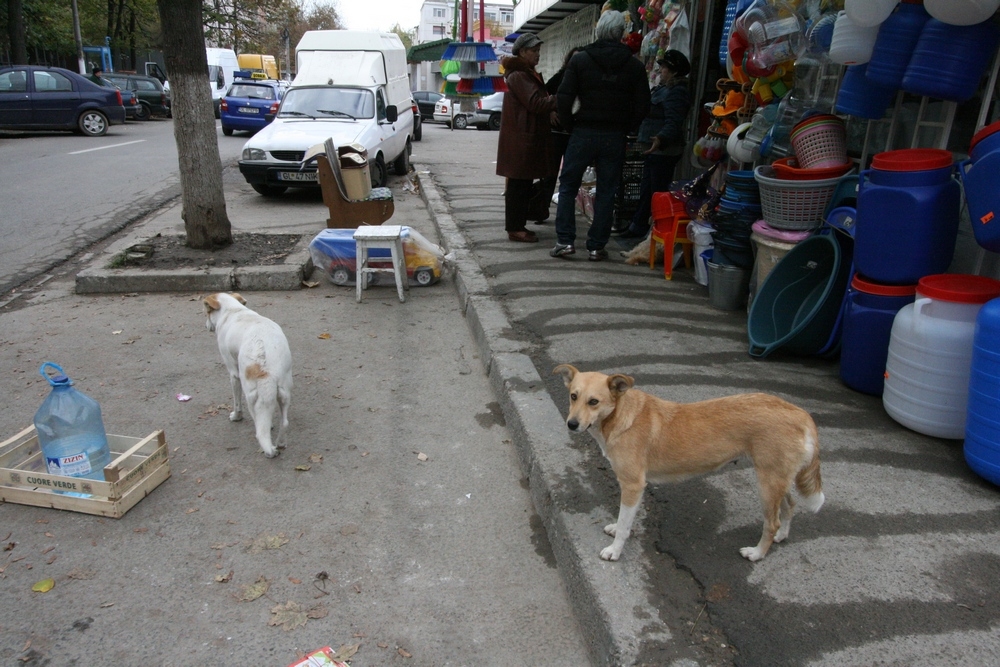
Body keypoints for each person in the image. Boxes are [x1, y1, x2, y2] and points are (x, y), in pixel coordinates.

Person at [549, 10, 651, 261]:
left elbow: (564, 97)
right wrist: (628, 127)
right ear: (621, 34)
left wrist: (569, 124)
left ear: (599, 30)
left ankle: (565, 241)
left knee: (569, 185)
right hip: (614, 135)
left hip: (583, 130)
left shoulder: (581, 60)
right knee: (607, 190)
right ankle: (596, 246)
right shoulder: (633, 66)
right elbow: (642, 104)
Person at [618, 49, 692, 238]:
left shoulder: (677, 92)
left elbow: (673, 122)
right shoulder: (663, 89)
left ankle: (655, 230)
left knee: (657, 192)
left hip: (664, 151)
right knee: (647, 190)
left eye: (665, 68)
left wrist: (660, 139)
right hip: (653, 149)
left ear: (674, 71)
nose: (661, 71)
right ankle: (638, 225)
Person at [495, 33, 558, 243]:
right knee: (518, 186)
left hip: (524, 137)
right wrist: (559, 99)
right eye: (534, 51)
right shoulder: (519, 76)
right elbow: (535, 103)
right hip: (521, 139)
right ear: (522, 52)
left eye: (539, 51)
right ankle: (515, 228)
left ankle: (518, 225)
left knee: (522, 183)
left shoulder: (524, 73)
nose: (538, 55)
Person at [527, 47, 580, 224]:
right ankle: (541, 209)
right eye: (573, 59)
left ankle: (565, 216)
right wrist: (550, 113)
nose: (576, 63)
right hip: (557, 133)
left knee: (570, 175)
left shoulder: (588, 79)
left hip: (575, 134)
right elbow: (544, 95)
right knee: (549, 174)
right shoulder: (561, 77)